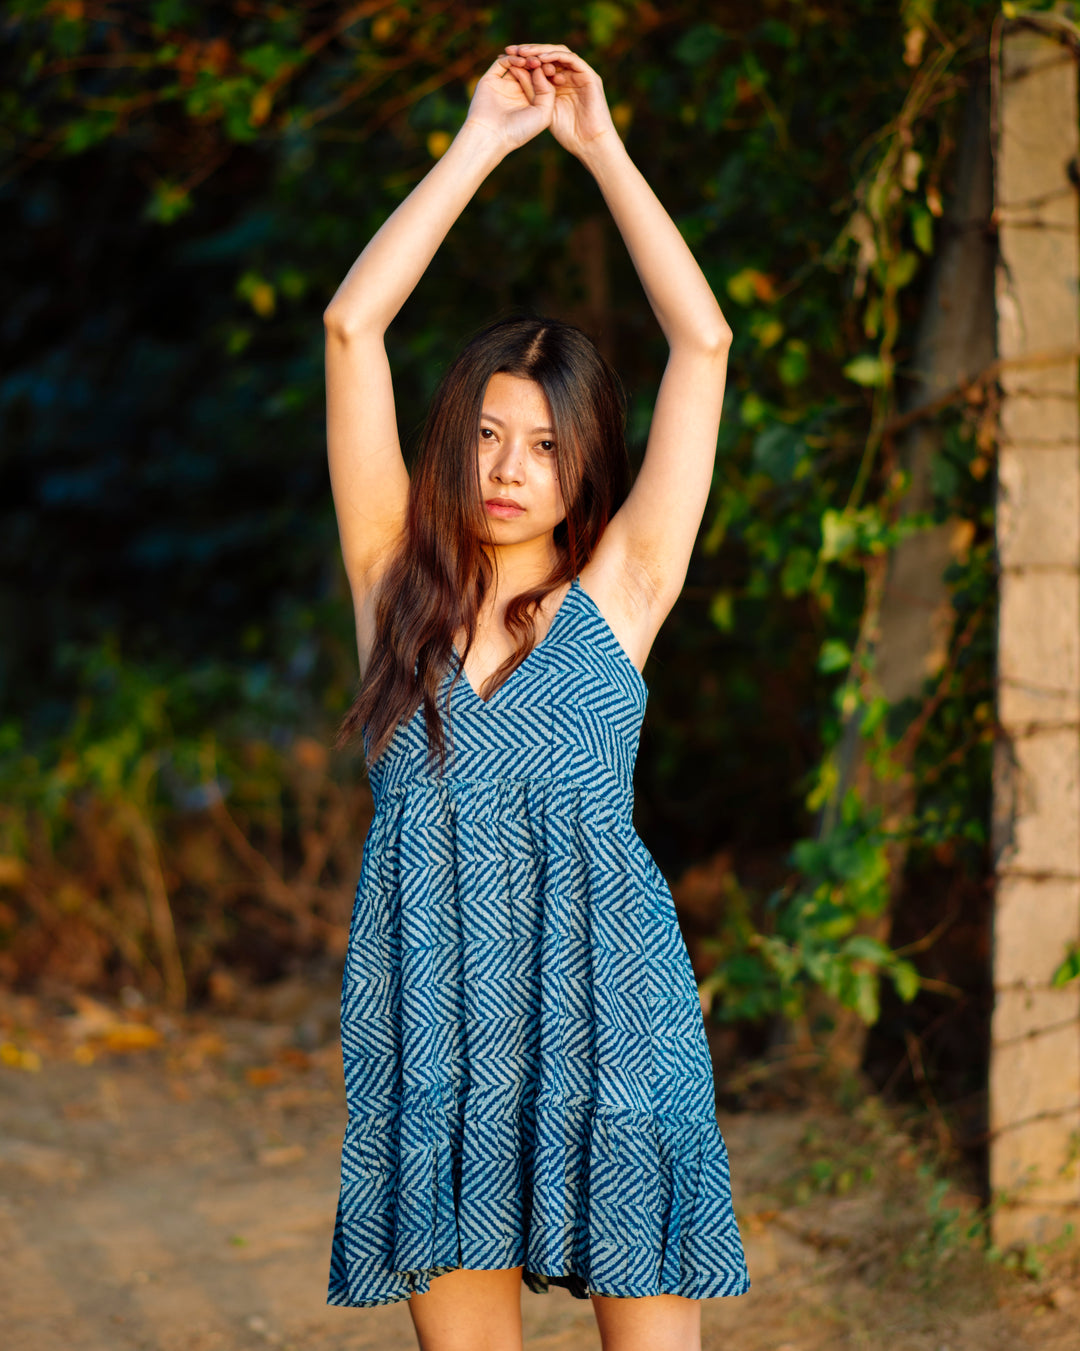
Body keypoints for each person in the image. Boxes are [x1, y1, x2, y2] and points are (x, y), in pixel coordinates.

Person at [322, 42, 750, 1351]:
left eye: (550, 445)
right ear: (461, 437)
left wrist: (599, 150)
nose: (513, 468)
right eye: (494, 433)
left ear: (587, 469)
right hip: (437, 1034)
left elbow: (705, 337)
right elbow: (352, 327)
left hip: (611, 1026)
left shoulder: (623, 592)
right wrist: (479, 145)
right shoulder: (391, 579)